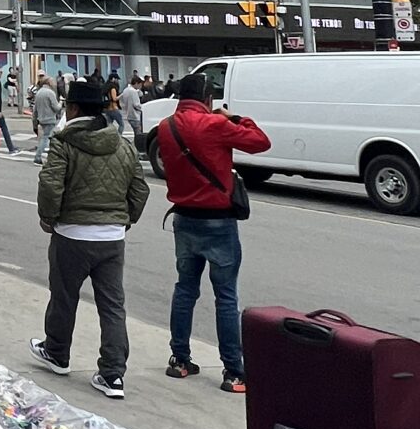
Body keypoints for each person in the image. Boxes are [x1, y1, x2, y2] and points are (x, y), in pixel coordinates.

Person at [29, 72, 149, 400]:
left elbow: (51, 184)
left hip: (72, 233)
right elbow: (140, 189)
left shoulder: (64, 142)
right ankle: (112, 375)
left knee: (64, 296)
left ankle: (57, 352)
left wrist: (48, 218)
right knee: (112, 306)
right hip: (111, 238)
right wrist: (125, 221)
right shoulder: (122, 146)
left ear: (74, 108)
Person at [153, 70, 272, 393]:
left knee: (185, 290)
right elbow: (260, 142)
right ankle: (233, 371)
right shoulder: (216, 125)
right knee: (226, 297)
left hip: (183, 218)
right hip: (218, 220)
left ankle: (179, 359)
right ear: (208, 99)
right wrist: (236, 117)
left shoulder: (166, 127)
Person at [30, 72, 62, 161]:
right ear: (49, 83)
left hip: (41, 119)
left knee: (48, 137)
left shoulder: (39, 93)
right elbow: (56, 108)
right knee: (46, 138)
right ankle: (38, 157)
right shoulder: (50, 93)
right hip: (50, 118)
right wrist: (61, 103)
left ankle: (51, 156)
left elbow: (35, 109)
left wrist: (35, 121)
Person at [120, 74, 145, 154]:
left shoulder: (125, 90)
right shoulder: (133, 91)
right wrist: (144, 108)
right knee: (138, 135)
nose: (140, 86)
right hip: (135, 115)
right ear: (137, 83)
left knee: (136, 134)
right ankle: (136, 151)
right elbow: (136, 104)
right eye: (140, 85)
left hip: (128, 114)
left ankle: (135, 150)